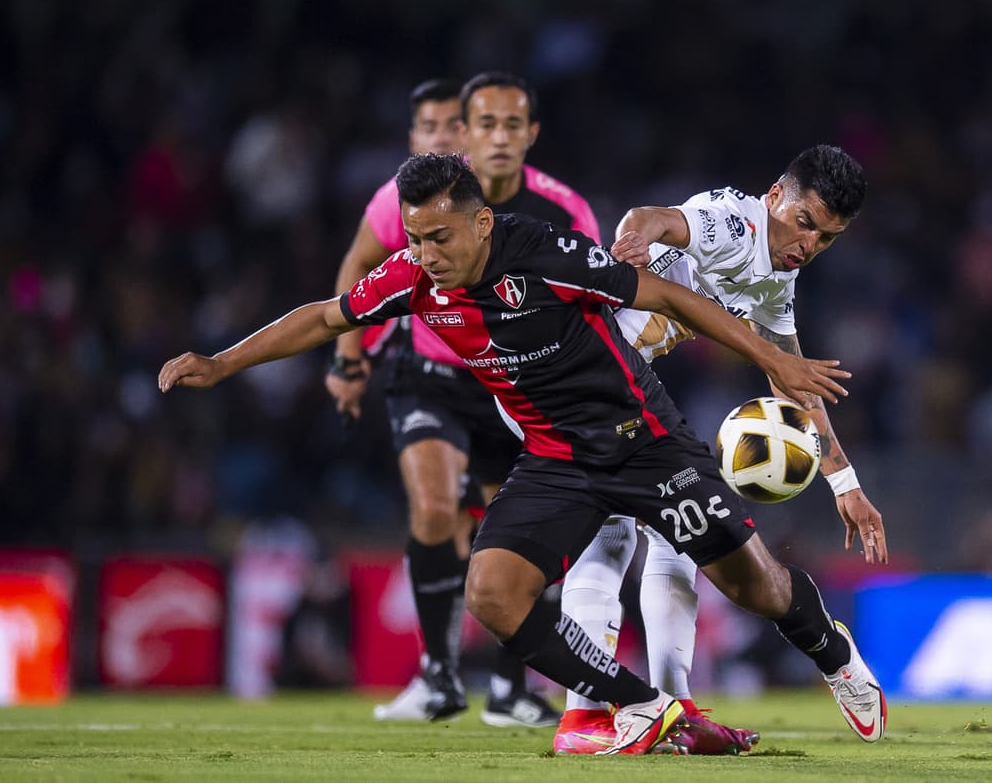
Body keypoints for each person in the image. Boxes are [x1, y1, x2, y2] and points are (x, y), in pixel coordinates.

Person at [159, 153, 887, 754]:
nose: (425, 255)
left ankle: (833, 656)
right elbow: (325, 316)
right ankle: (640, 707)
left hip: (641, 439)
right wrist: (222, 363)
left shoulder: (546, 254)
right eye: (415, 238)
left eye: (439, 238)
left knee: (757, 588)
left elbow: (667, 294)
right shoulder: (412, 277)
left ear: (481, 224)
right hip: (555, 455)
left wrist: (787, 385)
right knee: (493, 592)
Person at [552, 144, 889, 755]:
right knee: (625, 531)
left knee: (667, 534)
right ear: (775, 196)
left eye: (826, 238)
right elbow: (652, 217)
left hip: (601, 383)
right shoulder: (732, 223)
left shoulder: (777, 277)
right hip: (586, 377)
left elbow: (791, 378)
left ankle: (662, 709)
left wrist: (845, 485)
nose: (809, 244)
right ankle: (595, 715)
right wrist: (631, 243)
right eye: (805, 222)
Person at [326, 72, 597, 727]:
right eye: (482, 125)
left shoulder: (564, 209)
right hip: (431, 376)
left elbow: (594, 304)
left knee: (520, 534)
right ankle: (438, 677)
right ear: (466, 133)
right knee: (434, 507)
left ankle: (510, 689)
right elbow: (359, 263)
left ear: (530, 134)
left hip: (517, 385)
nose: (494, 138)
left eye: (510, 125)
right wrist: (349, 359)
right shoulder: (411, 195)